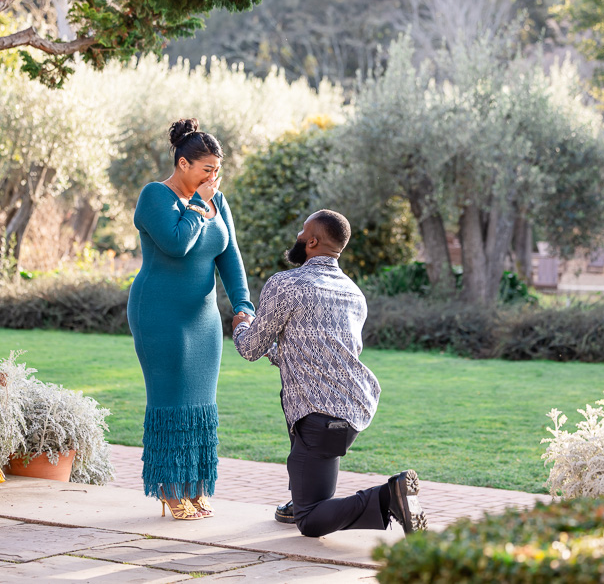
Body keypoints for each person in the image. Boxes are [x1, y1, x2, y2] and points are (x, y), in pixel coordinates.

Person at [231, 210, 427, 538]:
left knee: (311, 521)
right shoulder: (352, 292)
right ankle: (302, 499)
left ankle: (389, 495)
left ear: (312, 241)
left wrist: (242, 327)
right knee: (313, 492)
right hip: (350, 411)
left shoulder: (285, 283)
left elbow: (251, 348)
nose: (297, 235)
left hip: (318, 419)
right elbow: (310, 355)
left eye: (302, 231)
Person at [127, 118, 255, 521]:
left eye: (218, 170)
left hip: (203, 319)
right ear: (183, 164)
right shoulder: (154, 197)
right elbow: (177, 244)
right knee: (172, 402)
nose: (214, 177)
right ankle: (169, 489)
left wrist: (243, 305)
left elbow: (229, 256)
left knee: (201, 405)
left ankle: (196, 488)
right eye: (207, 169)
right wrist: (198, 204)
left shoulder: (220, 202)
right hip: (160, 314)